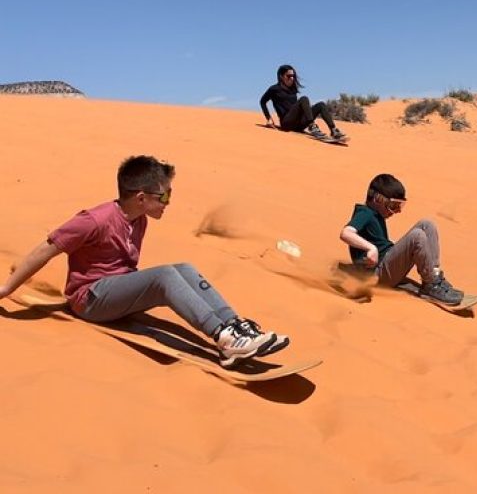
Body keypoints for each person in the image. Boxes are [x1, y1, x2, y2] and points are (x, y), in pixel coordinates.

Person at [0, 155, 289, 368]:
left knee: (184, 268)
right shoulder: (93, 220)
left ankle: (236, 327)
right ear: (141, 197)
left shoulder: (138, 219)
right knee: (164, 276)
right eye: (164, 195)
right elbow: (46, 249)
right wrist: (6, 290)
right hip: (89, 299)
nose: (168, 202)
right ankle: (224, 338)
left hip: (116, 291)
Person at [339, 174, 463, 306]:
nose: (397, 211)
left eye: (400, 206)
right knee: (417, 236)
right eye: (393, 205)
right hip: (377, 274)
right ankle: (431, 285)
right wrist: (371, 248)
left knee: (427, 224)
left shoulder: (375, 214)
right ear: (377, 199)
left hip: (386, 264)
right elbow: (345, 233)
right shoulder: (365, 213)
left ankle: (434, 275)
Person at [259, 64, 347, 141]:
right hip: (287, 124)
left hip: (298, 125)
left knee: (321, 105)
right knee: (304, 99)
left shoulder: (292, 89)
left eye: (293, 76)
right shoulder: (274, 89)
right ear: (281, 76)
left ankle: (334, 130)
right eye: (289, 76)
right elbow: (262, 101)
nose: (292, 78)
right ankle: (312, 126)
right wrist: (268, 118)